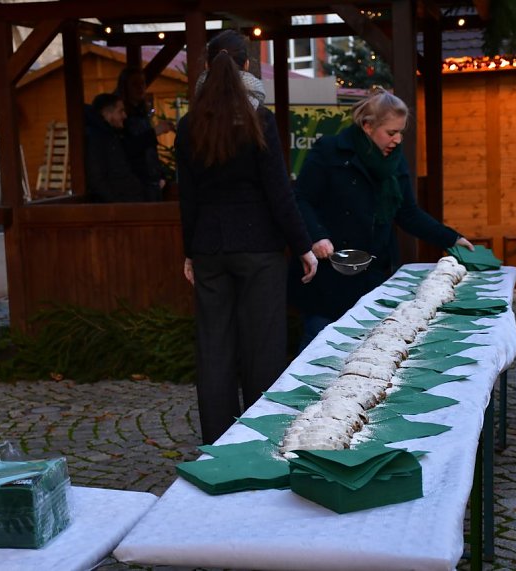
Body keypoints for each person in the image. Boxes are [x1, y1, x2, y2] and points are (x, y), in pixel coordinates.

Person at [176, 30, 318, 445]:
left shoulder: (189, 124)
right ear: (247, 65)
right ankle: (259, 442)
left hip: (209, 248)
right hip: (259, 247)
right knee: (263, 347)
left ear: (206, 66)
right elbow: (278, 190)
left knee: (213, 349)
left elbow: (189, 197)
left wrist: (190, 251)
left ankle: (218, 447)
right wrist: (304, 245)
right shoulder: (260, 117)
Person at [288, 88, 473, 350]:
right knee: (319, 347)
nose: (397, 139)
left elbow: (408, 213)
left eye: (401, 132)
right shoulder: (329, 151)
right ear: (367, 126)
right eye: (391, 132)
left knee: (365, 353)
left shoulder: (395, 163)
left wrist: (452, 238)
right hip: (330, 277)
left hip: (374, 276)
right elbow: (301, 199)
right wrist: (317, 235)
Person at [114, 67, 175, 201]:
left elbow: (150, 152)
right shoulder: (121, 119)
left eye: (143, 83)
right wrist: (154, 132)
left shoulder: (142, 114)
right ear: (125, 87)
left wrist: (161, 176)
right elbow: (125, 149)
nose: (140, 88)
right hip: (134, 187)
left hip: (152, 184)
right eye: (135, 84)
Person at [83, 92, 147, 203]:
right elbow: (96, 178)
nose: (125, 116)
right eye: (120, 111)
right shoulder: (97, 139)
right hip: (120, 207)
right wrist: (117, 203)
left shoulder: (113, 136)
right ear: (107, 114)